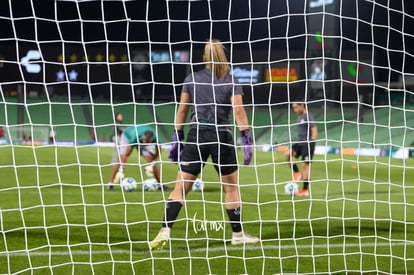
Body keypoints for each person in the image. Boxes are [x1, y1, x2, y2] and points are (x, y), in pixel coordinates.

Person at [149, 39, 259, 250]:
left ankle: (165, 230)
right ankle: (237, 234)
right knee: (231, 188)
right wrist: (246, 139)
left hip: (196, 135)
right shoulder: (232, 80)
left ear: (203, 58)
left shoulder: (192, 78)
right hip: (222, 137)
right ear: (224, 57)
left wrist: (177, 137)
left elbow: (182, 110)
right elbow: (238, 111)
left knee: (181, 187)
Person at [107, 125, 167, 191]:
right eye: (144, 141)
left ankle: (160, 185)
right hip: (127, 137)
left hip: (142, 139)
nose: (144, 143)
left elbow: (158, 152)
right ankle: (111, 183)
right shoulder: (135, 137)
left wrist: (152, 164)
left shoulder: (157, 139)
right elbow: (127, 154)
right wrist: (121, 169)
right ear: (143, 137)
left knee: (151, 160)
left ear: (151, 140)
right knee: (121, 159)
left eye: (146, 142)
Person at [284, 98, 318, 197]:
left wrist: (311, 143)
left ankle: (304, 190)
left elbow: (314, 131)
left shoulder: (309, 116)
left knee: (305, 166)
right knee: (287, 154)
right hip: (299, 143)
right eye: (293, 108)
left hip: (308, 143)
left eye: (296, 107)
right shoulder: (299, 117)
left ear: (302, 105)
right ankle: (297, 173)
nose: (294, 110)